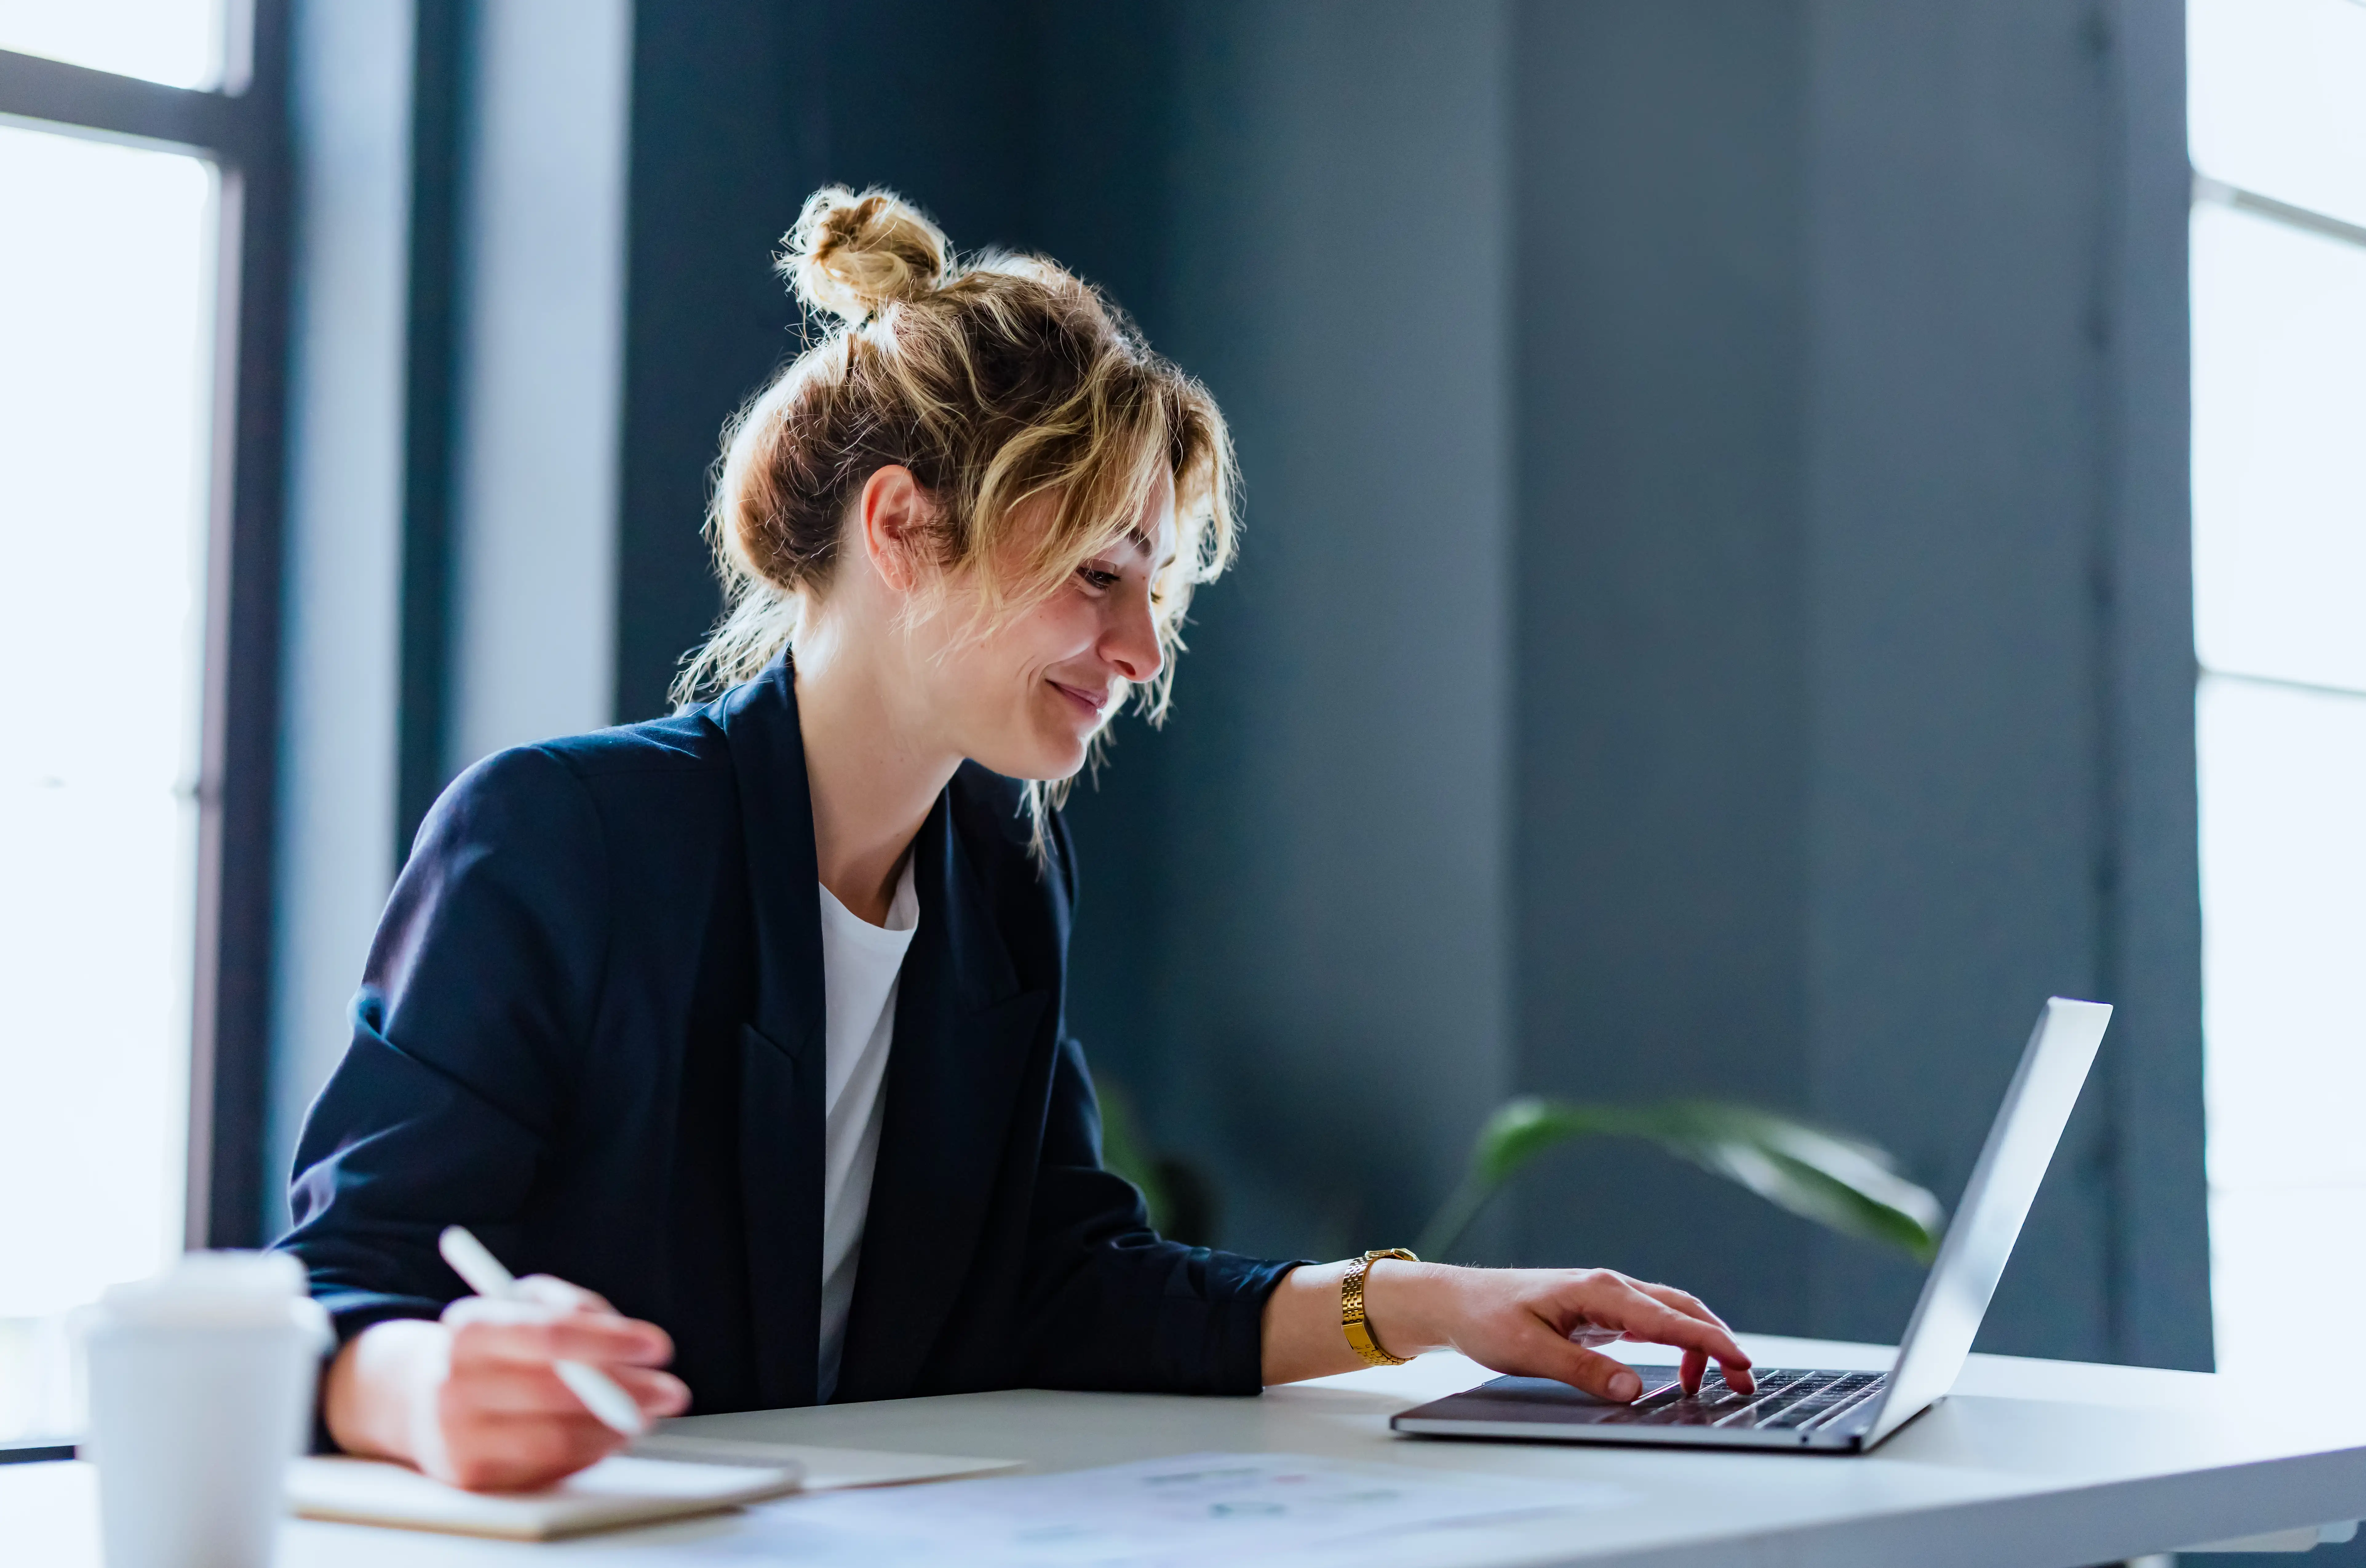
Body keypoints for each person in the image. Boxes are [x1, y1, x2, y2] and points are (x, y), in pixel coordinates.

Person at [276, 186, 1754, 1492]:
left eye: (1158, 584)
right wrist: (422, 1383)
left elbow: (1070, 1280)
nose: (1141, 646)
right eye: (1098, 571)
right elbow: (336, 1284)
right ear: (903, 529)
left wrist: (1434, 1309)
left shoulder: (998, 876)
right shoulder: (558, 840)